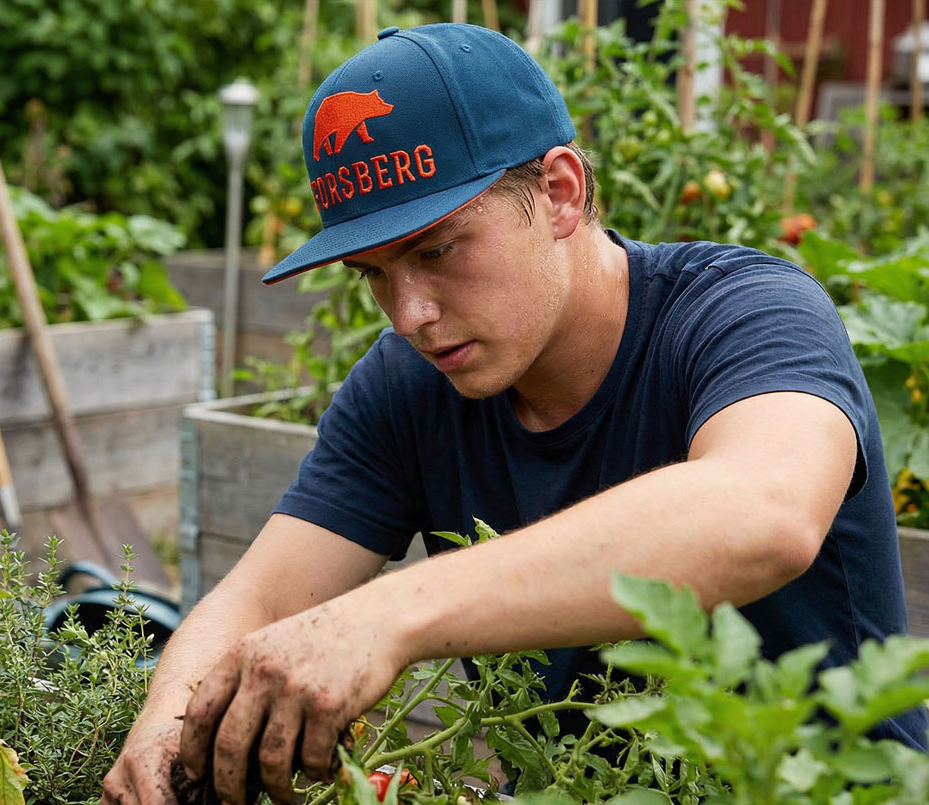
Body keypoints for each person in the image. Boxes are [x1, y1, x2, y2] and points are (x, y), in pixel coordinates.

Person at [102, 22, 929, 805]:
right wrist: (167, 722)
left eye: (436, 249)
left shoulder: (746, 313)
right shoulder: (405, 388)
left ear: (561, 192)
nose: (408, 314)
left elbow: (765, 510)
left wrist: (388, 613)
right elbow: (258, 598)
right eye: (373, 274)